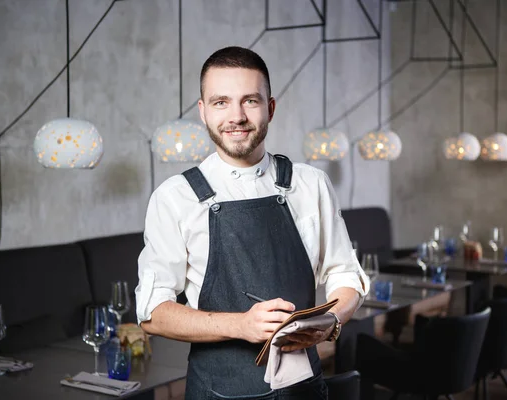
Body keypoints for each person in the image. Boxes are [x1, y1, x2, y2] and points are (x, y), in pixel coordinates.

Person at [135, 46, 369, 399]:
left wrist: (330, 321)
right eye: (221, 102)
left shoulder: (311, 184)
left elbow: (346, 274)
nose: (237, 116)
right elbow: (153, 312)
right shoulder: (175, 197)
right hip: (217, 391)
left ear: (270, 107)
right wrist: (241, 325)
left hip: (303, 389)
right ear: (202, 111)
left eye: (250, 101)